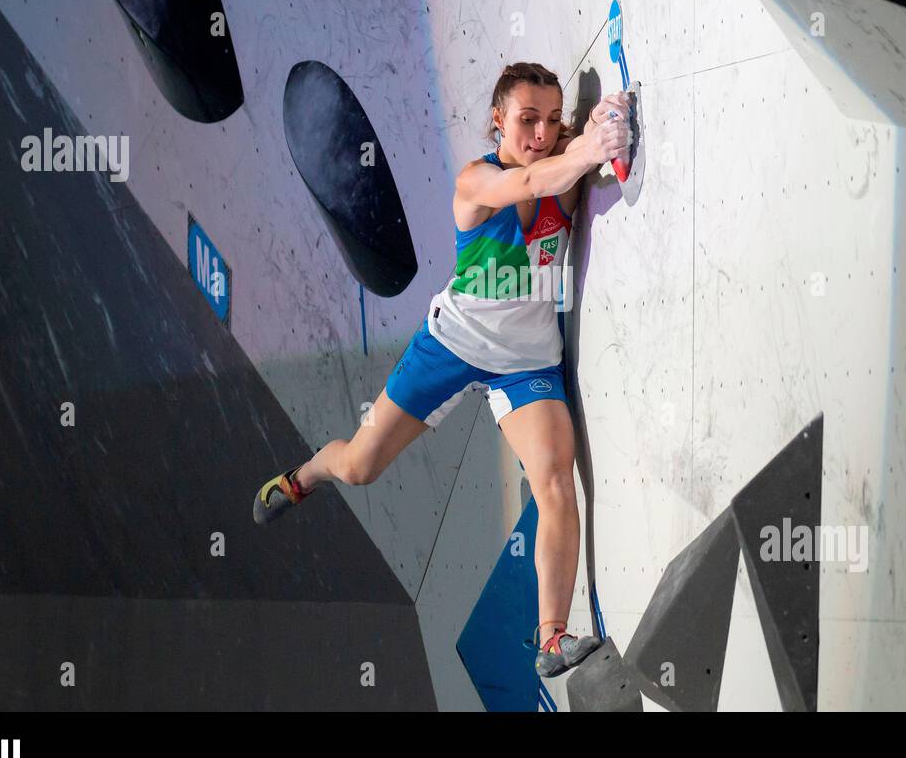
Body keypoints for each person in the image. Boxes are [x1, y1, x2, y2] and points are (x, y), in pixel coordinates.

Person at [255, 62, 630, 678]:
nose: (539, 131)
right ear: (497, 121)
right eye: (525, 119)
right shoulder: (478, 179)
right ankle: (307, 474)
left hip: (526, 362)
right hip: (449, 344)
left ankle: (552, 638)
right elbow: (535, 176)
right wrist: (590, 143)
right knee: (360, 467)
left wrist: (593, 129)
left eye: (551, 119)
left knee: (556, 480)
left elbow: (568, 161)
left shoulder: (564, 156)